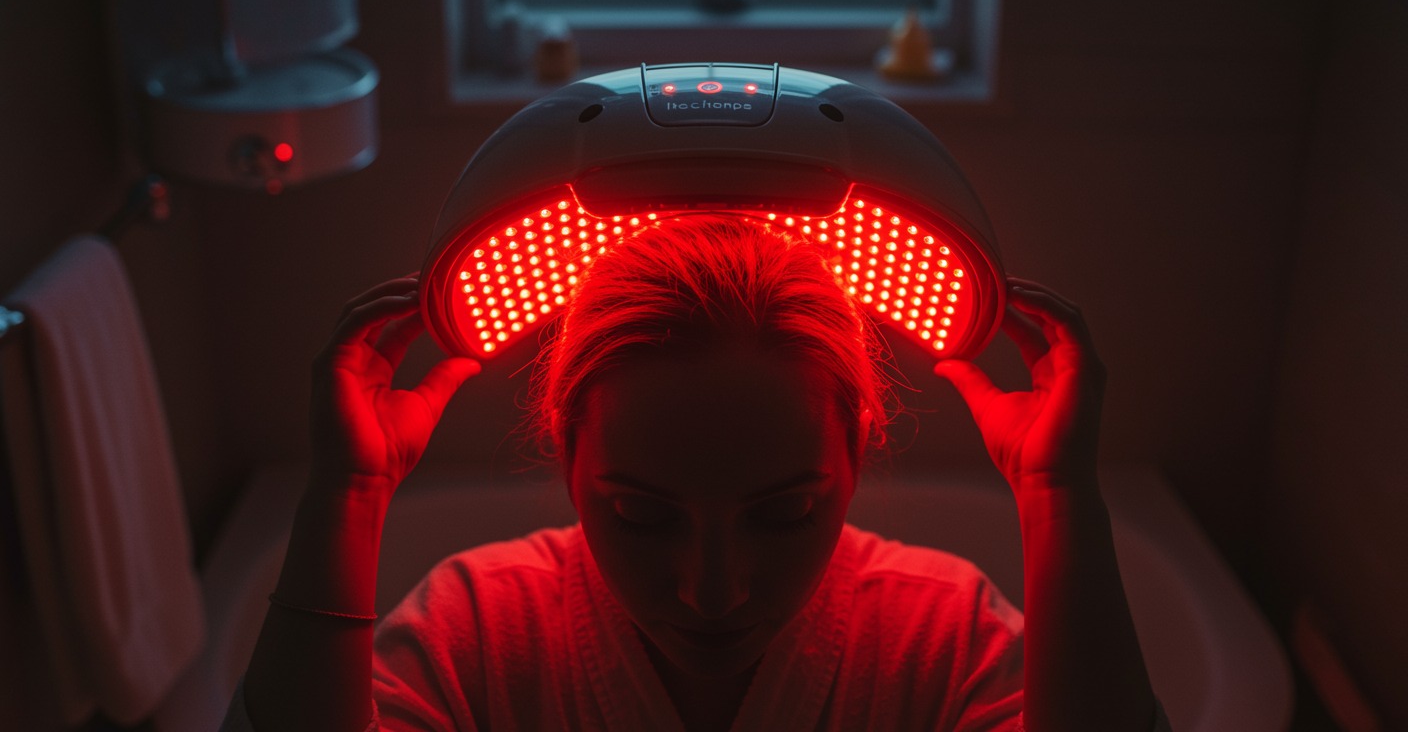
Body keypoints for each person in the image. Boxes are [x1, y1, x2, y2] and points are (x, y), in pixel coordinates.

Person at [225, 214, 1169, 731]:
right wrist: (346, 494)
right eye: (641, 516)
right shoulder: (480, 630)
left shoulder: (941, 640)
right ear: (567, 459)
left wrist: (1058, 498)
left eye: (785, 513)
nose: (711, 589)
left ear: (858, 451)